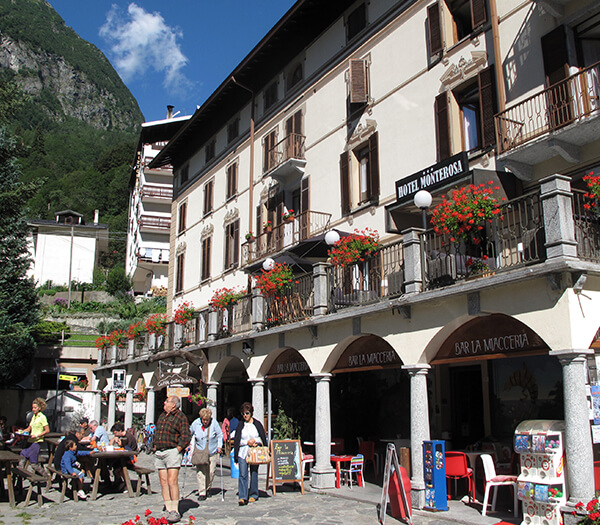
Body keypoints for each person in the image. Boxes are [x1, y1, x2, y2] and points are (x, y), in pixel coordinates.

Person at [154, 396, 191, 524]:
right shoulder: (162, 416)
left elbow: (186, 435)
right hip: (160, 451)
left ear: (174, 405)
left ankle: (175, 510)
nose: (164, 402)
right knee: (163, 481)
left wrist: (178, 449)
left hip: (172, 451)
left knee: (172, 481)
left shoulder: (180, 417)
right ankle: (168, 507)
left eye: (167, 401)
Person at [233, 402, 267, 506]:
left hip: (254, 451)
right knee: (243, 474)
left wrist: (255, 442)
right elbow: (237, 439)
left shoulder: (257, 424)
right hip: (243, 452)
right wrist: (245, 443)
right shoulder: (240, 424)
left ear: (251, 413)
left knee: (254, 472)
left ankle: (253, 494)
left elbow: (262, 438)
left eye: (247, 413)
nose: (245, 416)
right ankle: (243, 497)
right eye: (243, 414)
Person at [189, 407, 223, 501]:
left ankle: (208, 487)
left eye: (207, 420)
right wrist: (188, 444)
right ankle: (202, 492)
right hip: (200, 451)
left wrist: (219, 446)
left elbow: (220, 435)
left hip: (212, 451)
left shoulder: (214, 423)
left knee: (211, 472)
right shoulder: (196, 423)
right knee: (201, 472)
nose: (205, 422)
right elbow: (189, 433)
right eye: (203, 420)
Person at [18, 397, 50, 477]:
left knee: (34, 464)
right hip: (30, 440)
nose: (33, 409)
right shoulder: (34, 416)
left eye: (35, 408)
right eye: (32, 408)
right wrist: (21, 431)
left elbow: (47, 430)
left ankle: (46, 476)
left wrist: (37, 435)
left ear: (39, 408)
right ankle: (21, 475)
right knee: (22, 456)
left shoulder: (42, 417)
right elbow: (29, 428)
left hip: (36, 442)